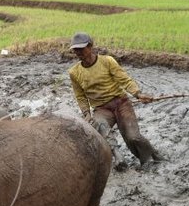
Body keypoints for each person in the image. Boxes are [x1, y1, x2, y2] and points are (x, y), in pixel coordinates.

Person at [67, 31, 164, 171]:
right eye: (75, 50)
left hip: (121, 103)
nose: (78, 52)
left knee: (133, 137)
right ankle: (118, 157)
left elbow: (124, 79)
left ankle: (152, 155)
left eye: (81, 48)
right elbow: (80, 96)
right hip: (102, 109)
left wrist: (138, 94)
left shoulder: (107, 61)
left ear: (90, 46)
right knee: (99, 125)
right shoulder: (74, 72)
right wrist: (86, 113)